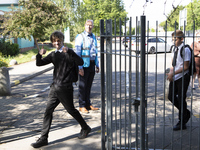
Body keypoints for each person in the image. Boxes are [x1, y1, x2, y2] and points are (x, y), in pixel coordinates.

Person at [31, 31, 91, 148]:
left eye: (58, 41)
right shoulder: (53, 55)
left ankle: (85, 127)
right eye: (54, 41)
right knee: (48, 111)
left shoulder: (68, 52)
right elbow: (39, 63)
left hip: (65, 88)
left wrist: (69, 52)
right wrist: (40, 54)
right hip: (54, 88)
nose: (57, 43)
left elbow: (81, 62)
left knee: (71, 110)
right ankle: (43, 138)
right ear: (52, 42)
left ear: (62, 41)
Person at [167, 30, 191, 131]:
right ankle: (186, 113)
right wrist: (170, 72)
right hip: (175, 76)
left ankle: (182, 122)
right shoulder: (174, 48)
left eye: (175, 39)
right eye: (173, 39)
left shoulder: (185, 50)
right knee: (171, 96)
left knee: (181, 98)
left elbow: (186, 67)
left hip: (183, 77)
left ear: (182, 39)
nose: (174, 41)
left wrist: (173, 73)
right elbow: (174, 63)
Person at [75, 19, 99, 113]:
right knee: (82, 86)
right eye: (87, 25)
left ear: (93, 26)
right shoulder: (80, 37)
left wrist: (97, 64)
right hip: (84, 65)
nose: (89, 27)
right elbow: (77, 53)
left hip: (92, 64)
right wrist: (79, 67)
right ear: (84, 26)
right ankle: (81, 105)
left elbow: (95, 51)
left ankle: (88, 104)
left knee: (89, 86)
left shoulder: (93, 36)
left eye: (91, 25)